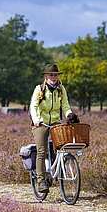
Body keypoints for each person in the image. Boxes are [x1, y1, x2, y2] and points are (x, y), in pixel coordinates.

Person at [29, 63, 79, 193]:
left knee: (61, 147)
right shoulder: (39, 89)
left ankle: (56, 173)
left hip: (56, 122)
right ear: (46, 76)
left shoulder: (61, 89)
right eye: (51, 74)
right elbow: (33, 107)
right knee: (41, 151)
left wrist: (70, 115)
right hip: (40, 123)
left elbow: (66, 105)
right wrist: (36, 120)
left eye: (55, 74)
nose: (53, 77)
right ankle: (40, 181)